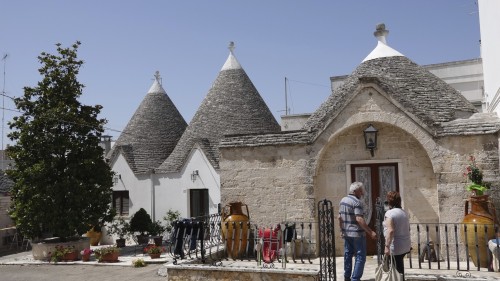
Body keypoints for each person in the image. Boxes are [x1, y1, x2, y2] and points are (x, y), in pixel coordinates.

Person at [338, 181, 377, 281]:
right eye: (361, 191)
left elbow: (339, 217)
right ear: (355, 191)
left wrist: (341, 230)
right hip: (357, 234)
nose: (362, 193)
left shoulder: (343, 200)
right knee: (360, 256)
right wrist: (370, 232)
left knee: (348, 255)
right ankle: (355, 279)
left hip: (346, 233)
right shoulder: (356, 202)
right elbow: (359, 219)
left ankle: (347, 277)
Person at [383, 191, 411, 279]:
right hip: (405, 244)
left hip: (396, 246)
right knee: (399, 267)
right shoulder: (404, 212)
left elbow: (390, 231)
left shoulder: (390, 213)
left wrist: (387, 246)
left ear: (389, 201)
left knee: (396, 269)